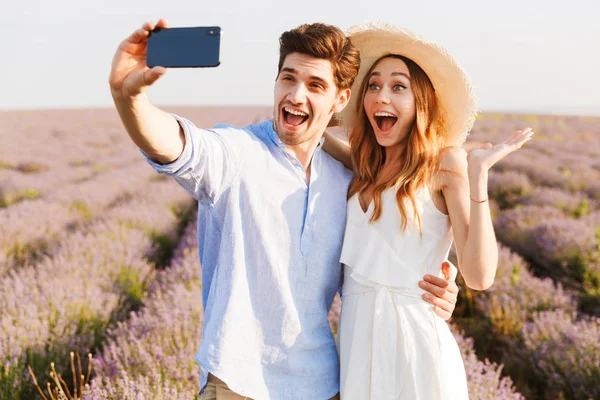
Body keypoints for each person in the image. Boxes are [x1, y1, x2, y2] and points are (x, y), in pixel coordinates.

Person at [108, 19, 460, 400]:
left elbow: (380, 260)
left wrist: (437, 287)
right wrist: (129, 99)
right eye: (288, 79)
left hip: (323, 386)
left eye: (315, 86)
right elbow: (176, 145)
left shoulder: (348, 183)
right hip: (238, 384)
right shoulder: (239, 154)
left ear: (340, 100)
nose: (295, 96)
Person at [326, 24, 534, 399]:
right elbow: (316, 138)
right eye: (372, 85)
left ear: (421, 101)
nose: (380, 96)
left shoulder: (445, 163)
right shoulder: (366, 165)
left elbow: (480, 275)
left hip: (414, 343)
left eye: (398, 87)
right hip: (357, 341)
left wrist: (478, 174)